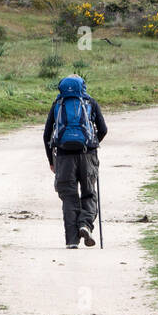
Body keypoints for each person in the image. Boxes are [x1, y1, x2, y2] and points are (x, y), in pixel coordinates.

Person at [43, 75, 108, 249]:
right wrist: (93, 144)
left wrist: (52, 160)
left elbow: (46, 135)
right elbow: (103, 129)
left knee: (69, 198)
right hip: (87, 154)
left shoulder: (57, 105)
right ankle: (85, 224)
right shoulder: (90, 103)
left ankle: (71, 241)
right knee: (89, 193)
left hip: (64, 157)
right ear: (83, 87)